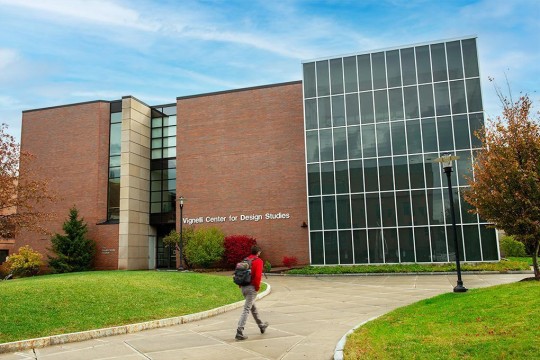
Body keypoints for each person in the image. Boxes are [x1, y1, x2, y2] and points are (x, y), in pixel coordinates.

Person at [235, 245, 268, 340]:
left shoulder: (245, 260)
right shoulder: (258, 261)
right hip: (251, 288)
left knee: (253, 307)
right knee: (246, 309)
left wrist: (241, 285)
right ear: (258, 252)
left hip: (243, 287)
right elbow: (257, 276)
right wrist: (257, 288)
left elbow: (240, 273)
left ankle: (261, 325)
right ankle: (239, 332)